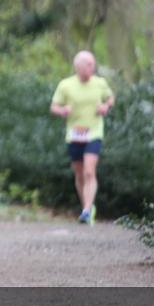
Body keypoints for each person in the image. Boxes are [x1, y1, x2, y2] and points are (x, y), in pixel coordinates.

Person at [50, 51, 114, 225]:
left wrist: (105, 106)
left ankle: (86, 209)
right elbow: (53, 106)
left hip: (94, 133)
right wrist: (62, 111)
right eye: (88, 65)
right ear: (78, 67)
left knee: (89, 171)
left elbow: (110, 99)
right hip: (74, 134)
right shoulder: (66, 85)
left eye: (93, 64)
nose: (92, 68)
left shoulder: (100, 83)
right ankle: (87, 205)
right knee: (79, 173)